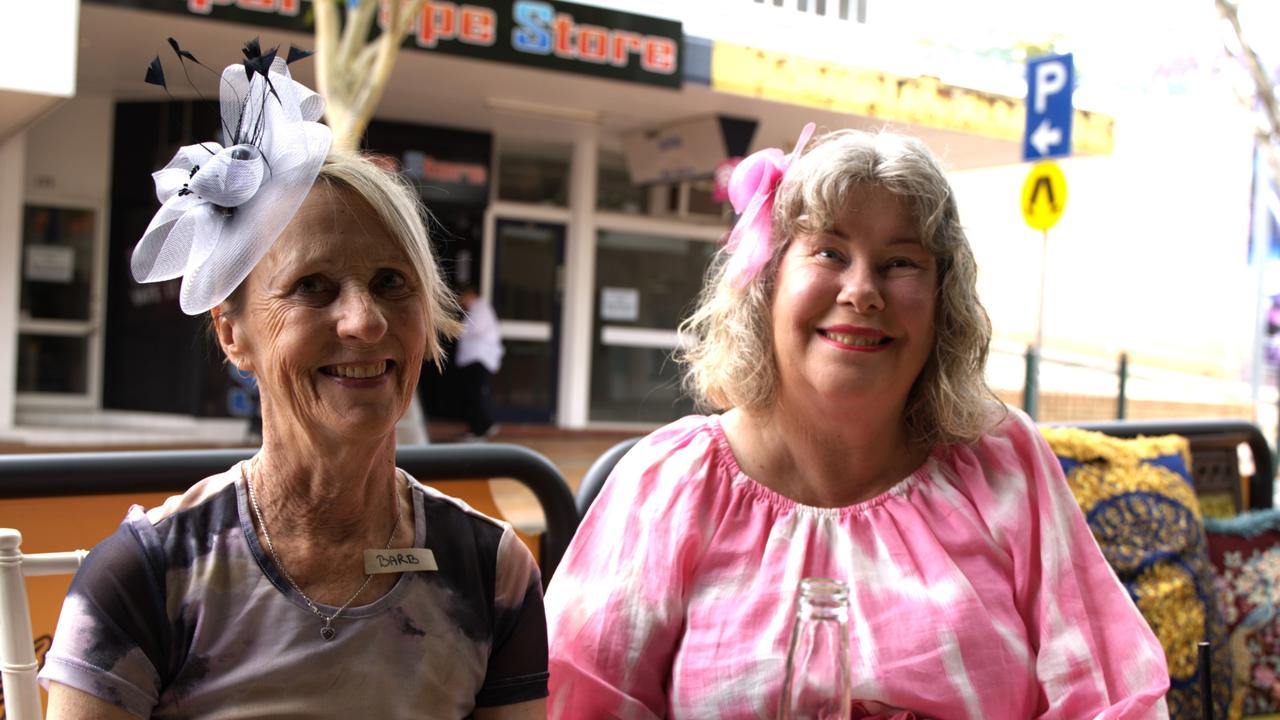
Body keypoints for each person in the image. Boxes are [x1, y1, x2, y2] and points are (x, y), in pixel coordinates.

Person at [544, 124, 1170, 719]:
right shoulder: (668, 483)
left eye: (901, 263)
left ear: (942, 304)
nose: (863, 290)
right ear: (767, 283)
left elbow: (1111, 695)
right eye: (828, 251)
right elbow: (572, 703)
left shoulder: (1003, 461)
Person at [40, 47, 547, 719]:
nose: (365, 322)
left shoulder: (491, 573)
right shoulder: (144, 578)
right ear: (232, 333)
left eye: (392, 283)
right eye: (313, 287)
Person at [456, 285, 504, 440]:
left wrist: (455, 328)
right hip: (475, 358)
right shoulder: (477, 308)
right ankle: (479, 427)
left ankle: (482, 428)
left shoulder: (481, 308)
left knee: (478, 394)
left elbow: (473, 329)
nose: (462, 302)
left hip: (480, 358)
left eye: (462, 297)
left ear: (470, 294)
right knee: (474, 394)